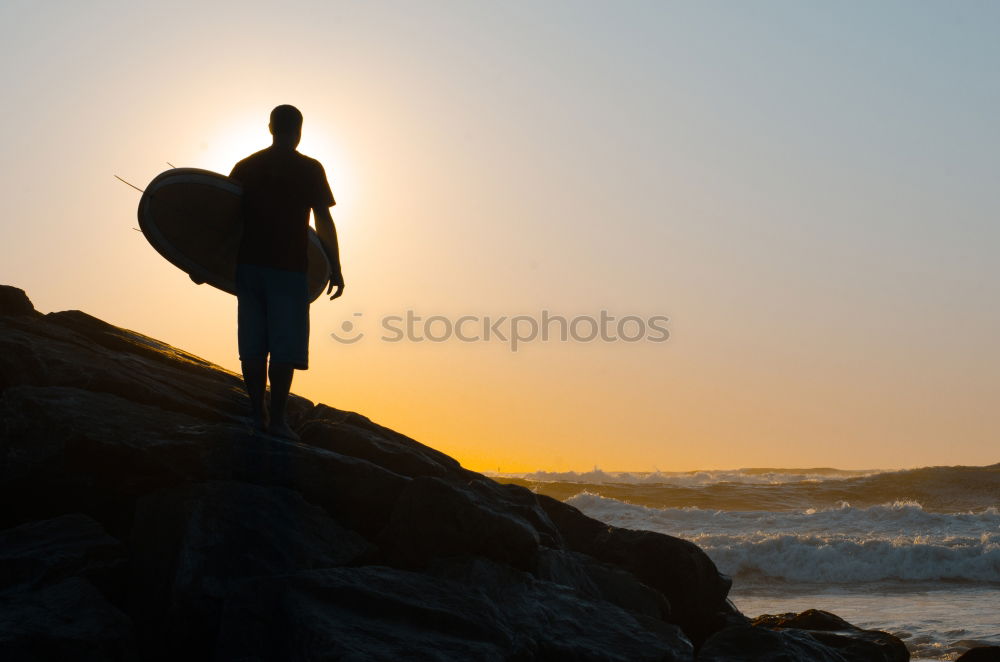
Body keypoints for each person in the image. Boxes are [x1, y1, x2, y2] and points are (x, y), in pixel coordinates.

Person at [229, 104, 344, 440]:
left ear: (269, 127)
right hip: (289, 269)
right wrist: (335, 266)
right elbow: (323, 219)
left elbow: (224, 215)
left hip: (248, 267)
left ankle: (256, 414)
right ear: (300, 130)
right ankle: (277, 421)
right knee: (283, 347)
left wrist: (203, 263)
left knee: (252, 345)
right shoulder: (309, 168)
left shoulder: (246, 166)